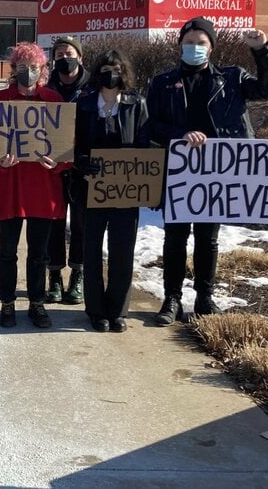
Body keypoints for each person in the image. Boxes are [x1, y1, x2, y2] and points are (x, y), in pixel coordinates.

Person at [147, 17, 268, 325]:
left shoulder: (232, 79)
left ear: (211, 48)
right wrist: (179, 135)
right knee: (175, 237)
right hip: (180, 170)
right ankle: (172, 299)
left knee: (208, 239)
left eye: (201, 43)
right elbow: (151, 124)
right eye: (189, 42)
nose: (194, 48)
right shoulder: (163, 82)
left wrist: (263, 51)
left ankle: (205, 298)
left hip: (217, 173)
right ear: (180, 45)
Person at [0, 42, 69, 329]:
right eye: (22, 67)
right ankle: (7, 303)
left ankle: (37, 303)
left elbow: (67, 152)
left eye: (34, 68)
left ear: (43, 70)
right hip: (9, 188)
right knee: (7, 250)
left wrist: (58, 164)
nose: (28, 73)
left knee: (38, 253)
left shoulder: (54, 101)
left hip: (43, 190)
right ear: (13, 69)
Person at [74, 50, 149, 332]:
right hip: (91, 189)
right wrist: (83, 165)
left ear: (124, 72)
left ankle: (117, 310)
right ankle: (95, 311)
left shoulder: (136, 104)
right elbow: (75, 145)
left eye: (116, 68)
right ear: (97, 73)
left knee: (122, 251)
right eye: (106, 68)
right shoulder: (84, 105)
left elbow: (144, 145)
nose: (111, 73)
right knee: (91, 250)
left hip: (126, 192)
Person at [45, 36, 90, 306]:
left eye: (69, 53)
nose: (64, 58)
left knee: (83, 224)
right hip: (52, 166)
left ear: (80, 57)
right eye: (59, 54)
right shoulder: (47, 88)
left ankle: (78, 274)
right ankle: (54, 276)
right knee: (54, 224)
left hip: (82, 167)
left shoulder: (93, 89)